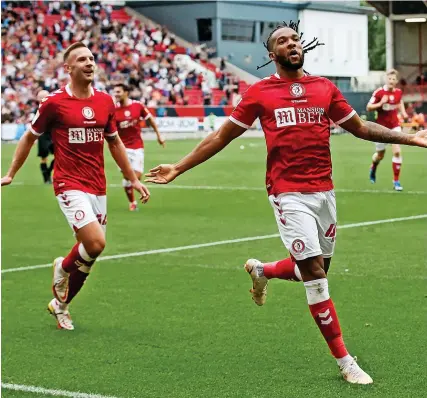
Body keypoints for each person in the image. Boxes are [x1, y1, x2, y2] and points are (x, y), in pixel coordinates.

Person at [145, 21, 427, 384]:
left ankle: (263, 270)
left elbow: (360, 127)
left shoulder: (324, 87)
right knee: (314, 273)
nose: (291, 43)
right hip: (287, 192)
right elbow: (222, 136)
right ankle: (345, 361)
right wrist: (179, 167)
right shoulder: (260, 93)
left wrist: (411, 137)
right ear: (272, 54)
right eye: (282, 40)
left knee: (318, 265)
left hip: (323, 191)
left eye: (294, 38)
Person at [1, 42, 150, 330]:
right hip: (69, 182)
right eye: (81, 59)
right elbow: (29, 137)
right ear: (68, 68)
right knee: (95, 243)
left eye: (92, 58)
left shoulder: (105, 102)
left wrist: (132, 178)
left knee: (91, 253)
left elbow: (115, 142)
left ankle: (61, 305)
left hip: (98, 184)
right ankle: (63, 268)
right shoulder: (54, 103)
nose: (89, 63)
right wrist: (11, 173)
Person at [113, 84, 165, 211]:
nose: (116, 94)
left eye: (118, 92)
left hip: (136, 146)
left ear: (126, 92)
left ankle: (132, 195)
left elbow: (150, 120)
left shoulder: (138, 105)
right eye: (115, 92)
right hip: (121, 148)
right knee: (127, 176)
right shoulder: (113, 110)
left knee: (136, 176)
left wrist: (159, 135)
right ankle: (132, 202)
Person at [366, 69, 408, 190]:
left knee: (397, 151)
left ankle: (396, 181)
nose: (391, 81)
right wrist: (380, 104)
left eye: (393, 79)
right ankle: (373, 166)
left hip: (395, 126)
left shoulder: (398, 92)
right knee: (380, 155)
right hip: (380, 128)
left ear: (396, 81)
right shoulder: (379, 93)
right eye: (389, 79)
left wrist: (403, 113)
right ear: (386, 79)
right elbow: (368, 107)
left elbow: (399, 102)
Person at [35, 90, 55, 184]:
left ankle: (48, 171)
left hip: (53, 135)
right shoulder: (38, 110)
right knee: (44, 158)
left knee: (59, 156)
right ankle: (46, 178)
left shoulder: (53, 108)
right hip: (43, 135)